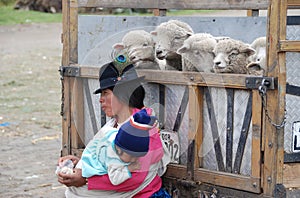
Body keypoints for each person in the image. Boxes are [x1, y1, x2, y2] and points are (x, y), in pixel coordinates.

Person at [57, 61, 170, 197]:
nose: (101, 100)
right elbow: (110, 158)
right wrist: (82, 164)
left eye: (106, 93)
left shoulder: (141, 129)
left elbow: (135, 179)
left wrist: (86, 179)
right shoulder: (114, 124)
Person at [81, 109, 158, 186]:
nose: (134, 160)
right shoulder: (113, 159)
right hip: (91, 164)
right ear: (118, 150)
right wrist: (129, 168)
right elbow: (114, 179)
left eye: (137, 157)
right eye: (131, 156)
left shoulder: (115, 136)